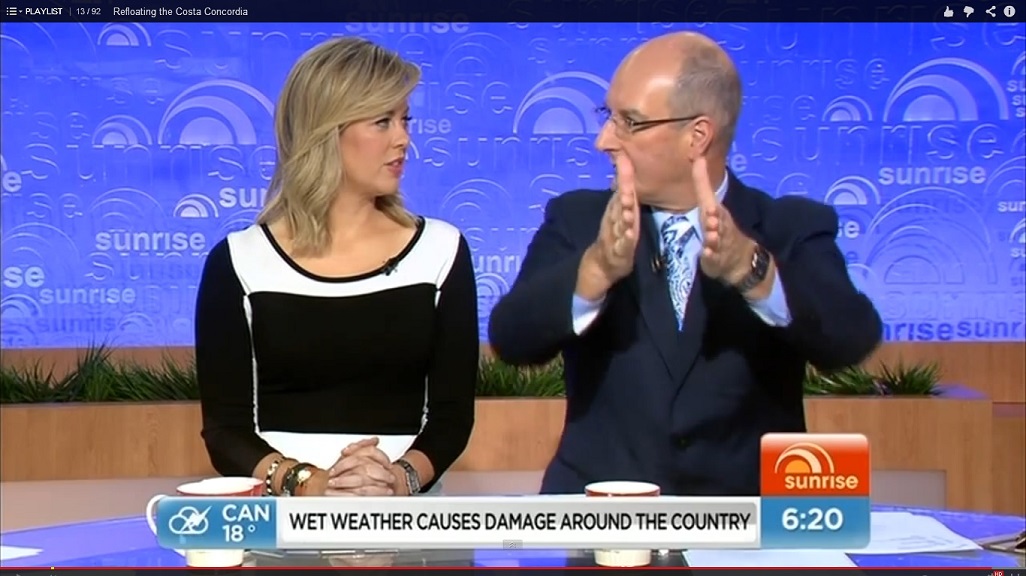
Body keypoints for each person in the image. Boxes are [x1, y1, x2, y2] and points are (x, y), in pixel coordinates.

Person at [488, 31, 883, 496]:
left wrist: (753, 272)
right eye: (607, 116)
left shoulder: (789, 227)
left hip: (746, 522)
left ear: (697, 136)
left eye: (629, 122)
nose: (603, 140)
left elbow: (849, 340)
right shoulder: (579, 220)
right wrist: (595, 271)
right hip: (600, 516)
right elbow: (511, 338)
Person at [194, 37, 479, 498]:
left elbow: (452, 419)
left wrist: (396, 480)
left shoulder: (441, 252)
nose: (403, 138)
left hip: (406, 513)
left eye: (405, 119)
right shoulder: (240, 262)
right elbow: (226, 432)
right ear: (325, 131)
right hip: (281, 515)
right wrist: (312, 484)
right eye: (382, 121)